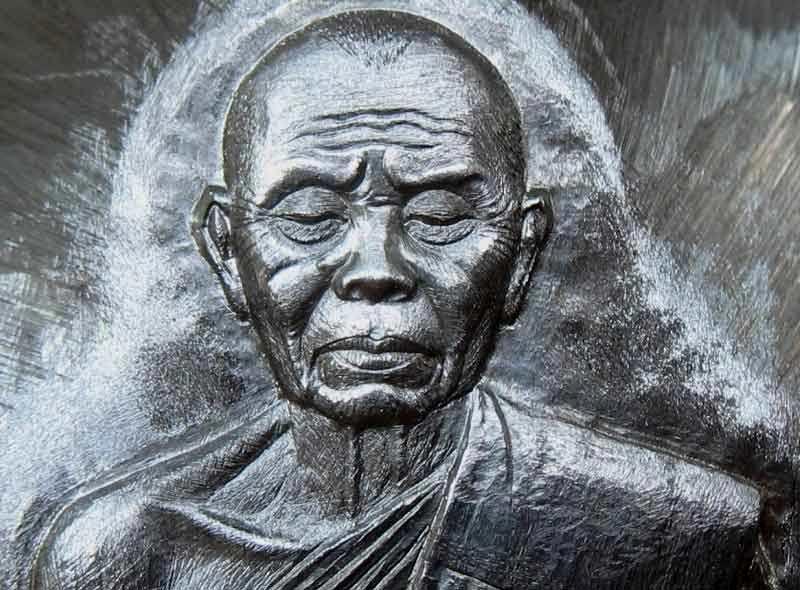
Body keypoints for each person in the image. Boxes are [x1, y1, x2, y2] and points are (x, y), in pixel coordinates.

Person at [29, 9, 779, 589]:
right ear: (228, 253)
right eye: (310, 216)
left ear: (522, 257)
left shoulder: (674, 536)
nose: (376, 271)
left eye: (441, 217)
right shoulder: (130, 554)